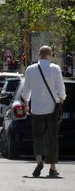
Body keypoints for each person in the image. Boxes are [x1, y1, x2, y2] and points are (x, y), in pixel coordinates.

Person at [23, 45, 66, 177]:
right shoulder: (55, 69)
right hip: (52, 109)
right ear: (50, 55)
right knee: (52, 138)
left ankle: (39, 160)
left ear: (38, 55)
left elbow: (26, 90)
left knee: (38, 137)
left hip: (36, 109)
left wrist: (26, 104)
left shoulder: (30, 69)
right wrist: (61, 100)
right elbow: (61, 90)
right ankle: (52, 167)